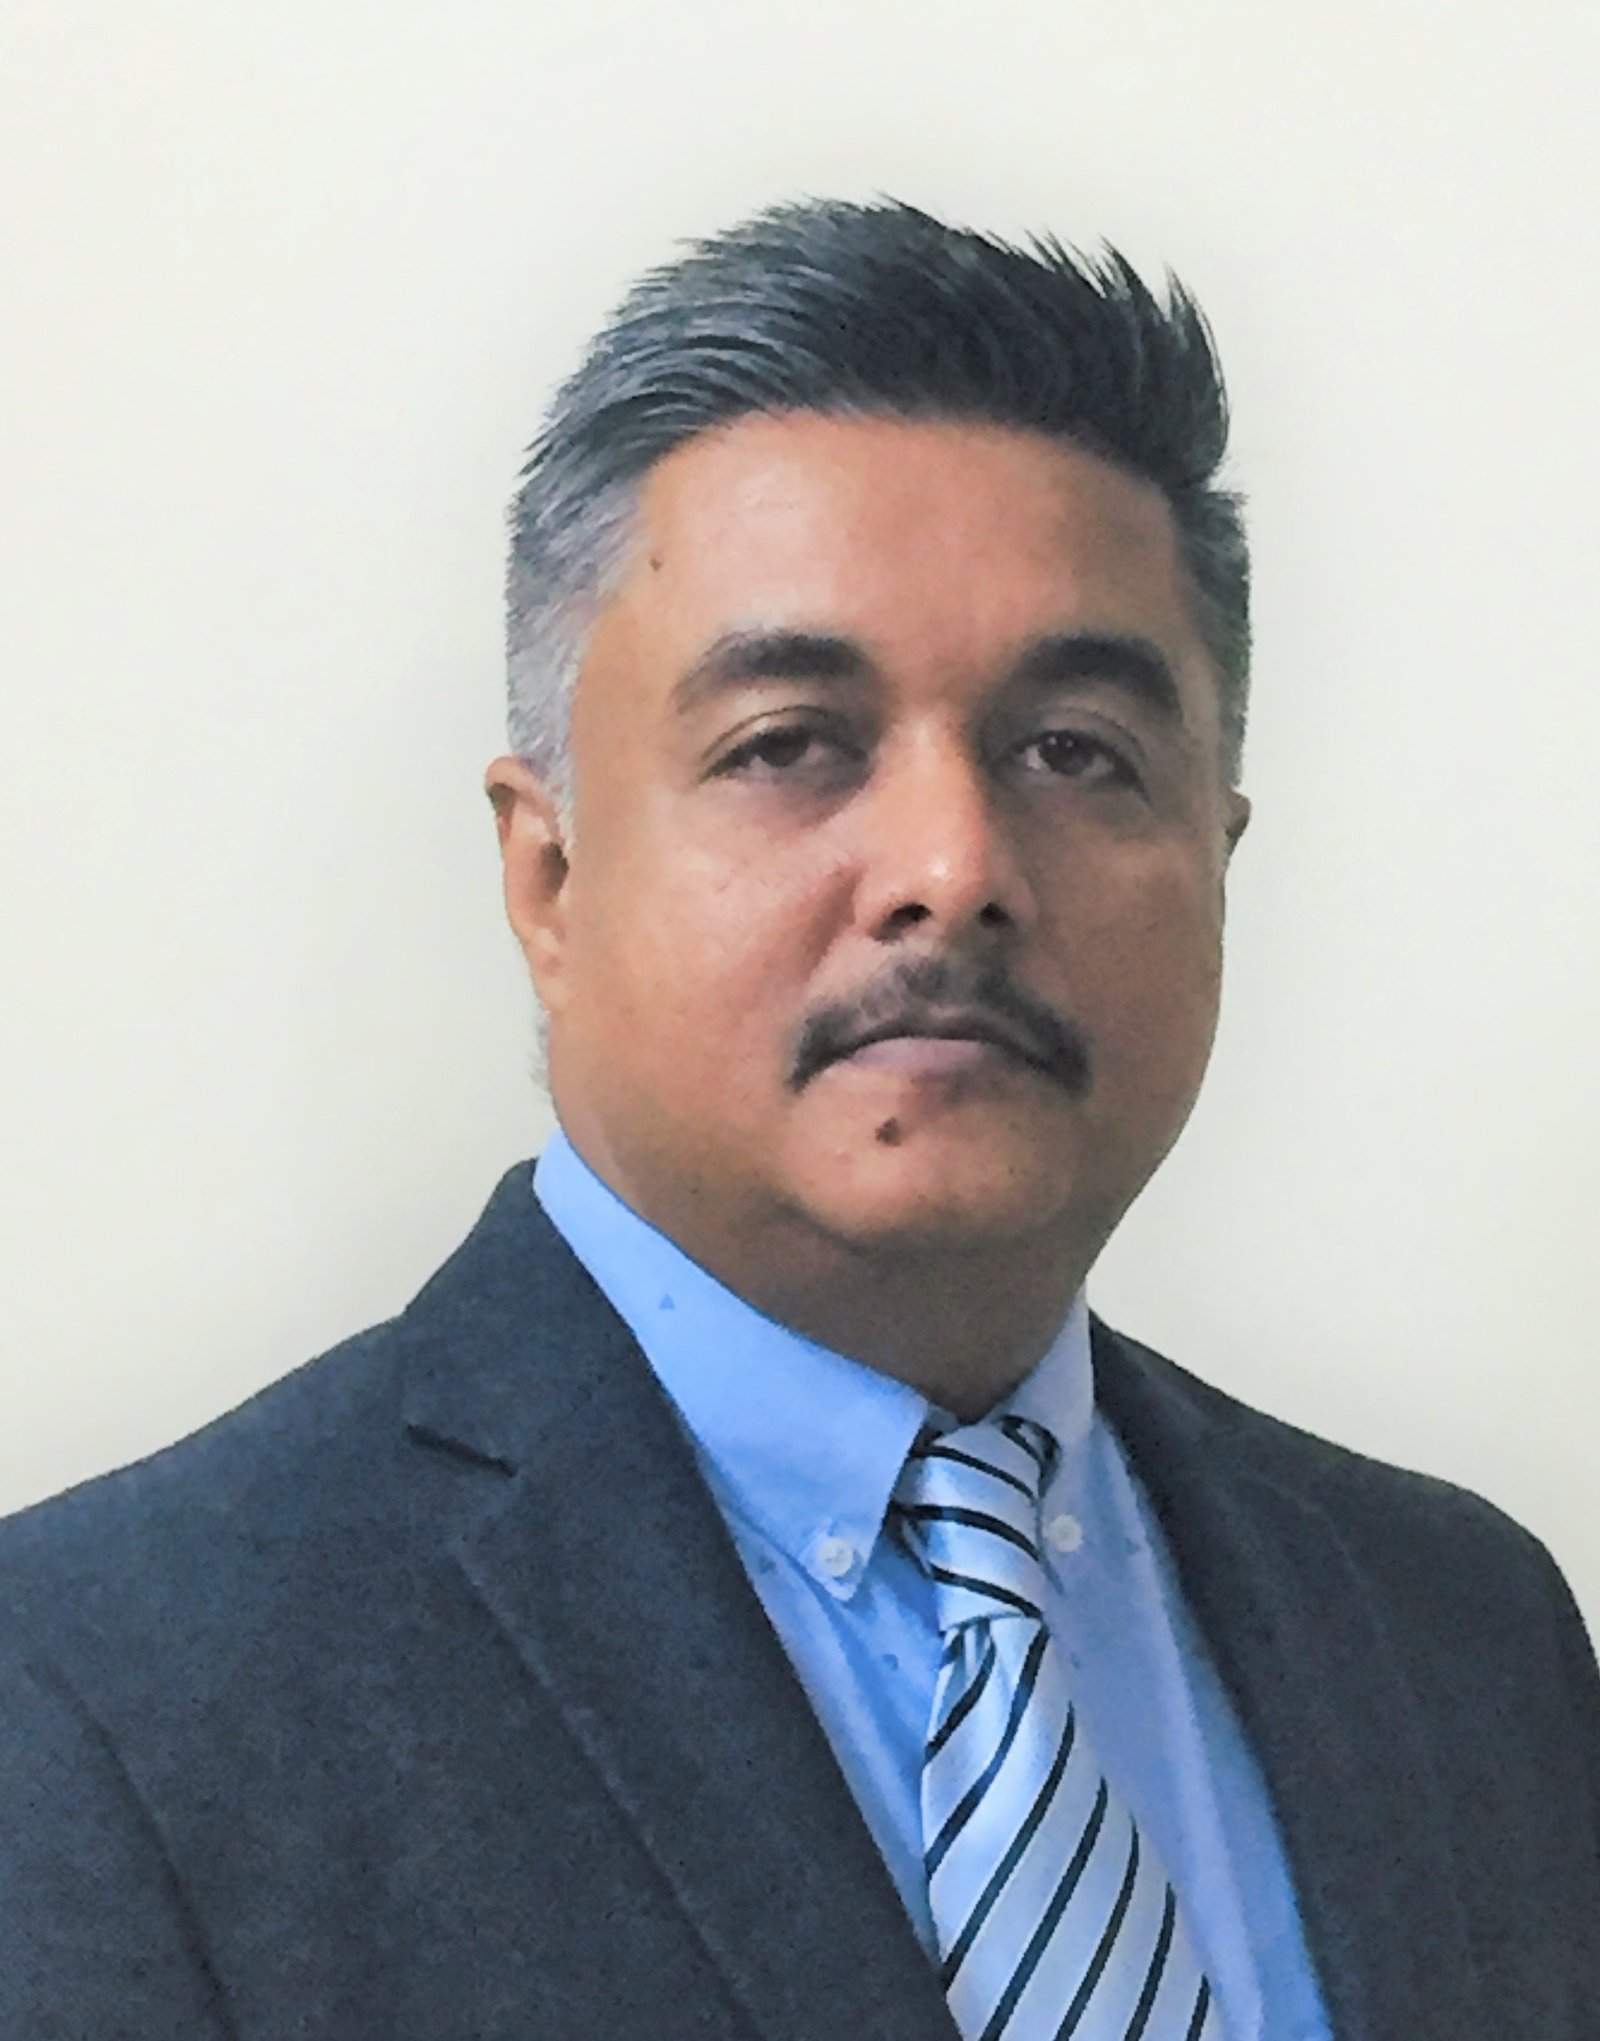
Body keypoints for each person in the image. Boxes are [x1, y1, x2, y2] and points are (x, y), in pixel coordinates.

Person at [1, 199, 1595, 2041]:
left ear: (1218, 859)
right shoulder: (103, 1703)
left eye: (1075, 749)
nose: (952, 866)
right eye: (790, 744)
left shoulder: (1464, 1634)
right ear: (551, 876)